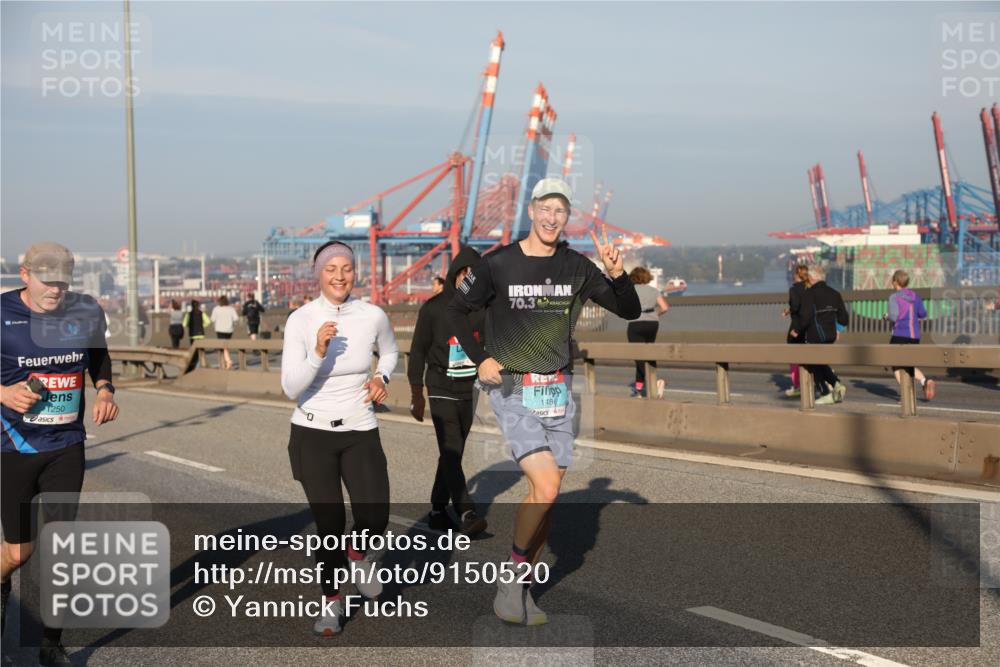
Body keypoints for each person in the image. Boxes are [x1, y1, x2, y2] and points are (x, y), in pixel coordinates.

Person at [447, 177, 640, 625]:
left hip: (557, 387)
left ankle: (520, 591)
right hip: (512, 385)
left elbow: (628, 310)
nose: (552, 218)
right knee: (548, 485)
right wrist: (480, 359)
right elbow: (455, 309)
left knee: (545, 496)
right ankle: (512, 578)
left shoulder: (576, 266)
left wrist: (616, 273)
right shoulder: (497, 264)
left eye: (561, 211)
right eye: (546, 209)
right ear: (531, 211)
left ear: (565, 217)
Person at [0, 242, 120, 666]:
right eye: (48, 281)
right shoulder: (2, 314)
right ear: (25, 274)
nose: (56, 290)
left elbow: (99, 358)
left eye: (64, 282)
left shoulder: (85, 310)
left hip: (66, 446)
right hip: (13, 447)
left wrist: (104, 388)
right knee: (18, 552)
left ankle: (51, 644)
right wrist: (2, 391)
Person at [281, 240, 399, 636]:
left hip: (359, 428)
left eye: (346, 268)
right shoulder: (300, 320)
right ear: (318, 274)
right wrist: (317, 351)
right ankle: (331, 602)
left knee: (375, 515)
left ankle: (358, 553)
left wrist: (381, 377)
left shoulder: (372, 316)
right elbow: (289, 387)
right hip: (312, 433)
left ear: (355, 272)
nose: (339, 276)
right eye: (331, 268)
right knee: (329, 523)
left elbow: (392, 352)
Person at [408, 246, 488, 536]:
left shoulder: (482, 308)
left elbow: (493, 345)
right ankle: (466, 511)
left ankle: (437, 509)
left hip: (470, 388)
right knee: (452, 449)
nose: (469, 280)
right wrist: (417, 394)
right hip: (440, 385)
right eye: (464, 274)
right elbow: (417, 351)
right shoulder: (433, 308)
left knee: (451, 452)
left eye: (475, 275)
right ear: (455, 275)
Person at [791, 265, 849, 405]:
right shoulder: (835, 294)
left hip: (815, 336)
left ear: (811, 278)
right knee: (819, 362)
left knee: (813, 362)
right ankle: (835, 386)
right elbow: (844, 318)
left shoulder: (809, 294)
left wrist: (796, 330)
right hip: (830, 336)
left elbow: (805, 317)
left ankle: (827, 391)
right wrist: (838, 330)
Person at [885, 269, 935, 400]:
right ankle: (925, 381)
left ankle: (907, 393)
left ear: (895, 282)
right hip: (915, 337)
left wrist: (886, 316)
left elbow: (894, 317)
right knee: (908, 364)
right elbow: (923, 314)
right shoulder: (916, 296)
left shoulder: (894, 297)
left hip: (899, 334)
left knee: (895, 364)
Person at [626, 266, 669, 398]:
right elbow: (665, 307)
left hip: (636, 323)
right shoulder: (654, 290)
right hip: (652, 324)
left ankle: (654, 383)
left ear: (633, 277)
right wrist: (654, 314)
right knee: (649, 354)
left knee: (639, 356)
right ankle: (640, 388)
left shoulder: (631, 290)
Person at [783, 264, 810, 398]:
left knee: (793, 355)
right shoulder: (810, 288)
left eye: (794, 273)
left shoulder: (794, 289)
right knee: (809, 355)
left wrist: (789, 310)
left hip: (796, 327)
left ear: (797, 275)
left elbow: (795, 306)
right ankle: (823, 379)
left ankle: (798, 386)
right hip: (809, 327)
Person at [210, 296, 239, 370]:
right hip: (229, 330)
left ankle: (228, 361)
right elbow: (236, 318)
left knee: (224, 347)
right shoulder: (231, 309)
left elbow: (212, 319)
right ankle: (226, 363)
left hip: (219, 330)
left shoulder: (216, 309)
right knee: (226, 346)